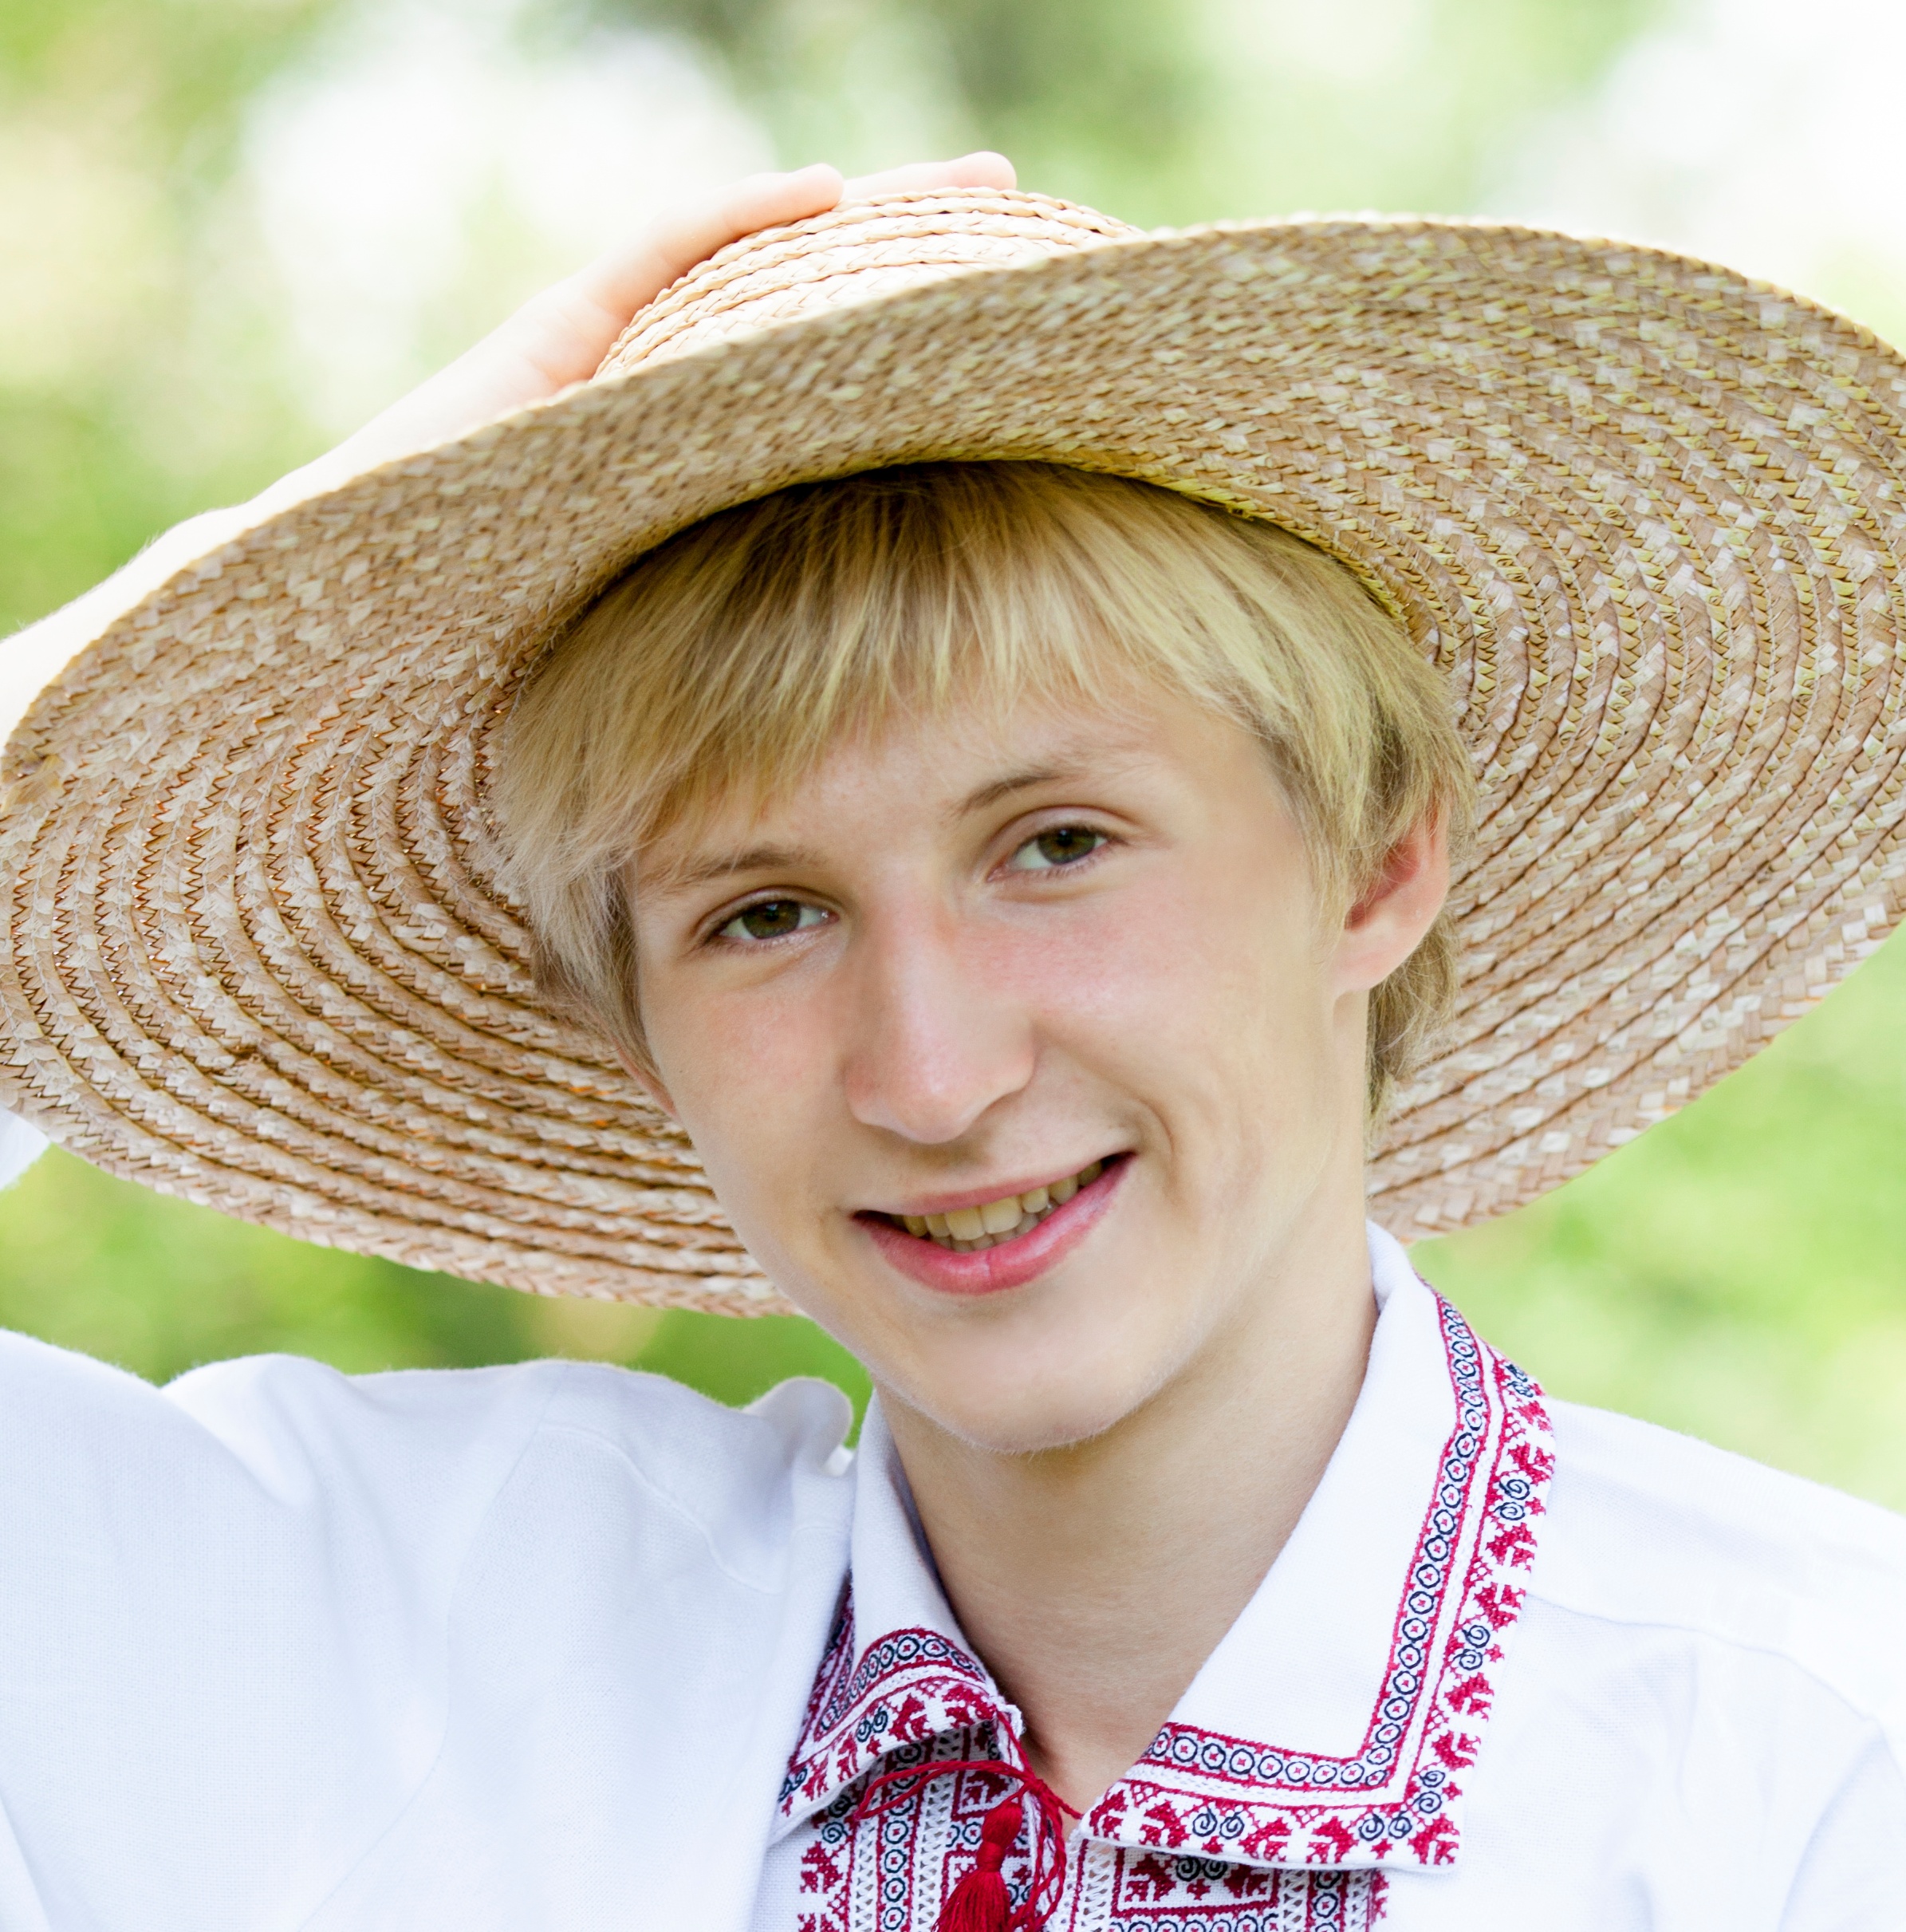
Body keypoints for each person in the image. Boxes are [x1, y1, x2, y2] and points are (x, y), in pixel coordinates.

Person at [0, 152, 1901, 1932]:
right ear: (636, 1022)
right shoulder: (402, 1641)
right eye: (763, 913)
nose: (929, 1074)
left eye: (1055, 846)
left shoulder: (1814, 1765)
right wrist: (280, 552)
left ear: (1374, 858)